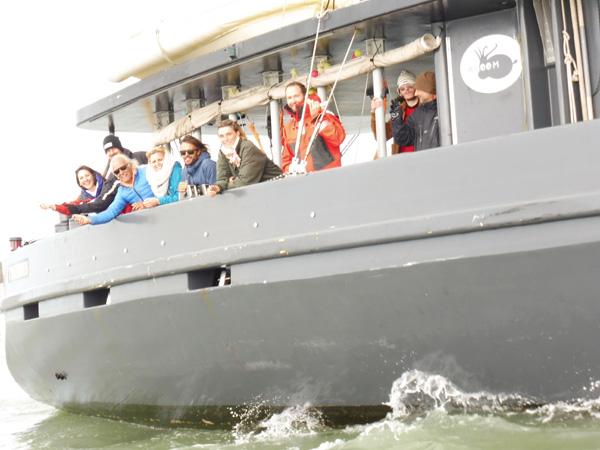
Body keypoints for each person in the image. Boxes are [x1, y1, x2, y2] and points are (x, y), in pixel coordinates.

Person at [67, 134, 148, 215]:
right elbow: (102, 202)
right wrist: (77, 208)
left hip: (156, 203)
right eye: (108, 151)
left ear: (120, 147)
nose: (112, 152)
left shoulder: (142, 157)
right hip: (139, 214)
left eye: (114, 148)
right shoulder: (112, 178)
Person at [281, 81, 346, 173]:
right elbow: (286, 160)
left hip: (329, 177)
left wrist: (317, 118)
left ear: (305, 96)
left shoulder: (324, 114)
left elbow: (338, 139)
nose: (293, 101)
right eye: (289, 98)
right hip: (303, 181)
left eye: (296, 96)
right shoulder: (288, 128)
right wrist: (291, 168)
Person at [206, 119, 282, 197]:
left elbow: (245, 182)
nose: (225, 139)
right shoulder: (223, 153)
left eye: (229, 134)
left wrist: (227, 185)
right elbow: (222, 179)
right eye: (221, 136)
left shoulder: (248, 147)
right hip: (262, 192)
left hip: (279, 188)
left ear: (238, 133)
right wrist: (217, 187)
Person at [72, 154, 154, 226]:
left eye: (123, 168)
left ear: (130, 165)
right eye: (117, 171)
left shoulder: (147, 172)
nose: (121, 172)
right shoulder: (122, 191)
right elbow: (110, 212)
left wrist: (151, 203)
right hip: (150, 222)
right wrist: (89, 219)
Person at [371, 70, 420, 154]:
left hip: (423, 157)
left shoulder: (426, 107)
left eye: (410, 86)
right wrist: (374, 112)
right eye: (402, 88)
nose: (406, 90)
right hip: (401, 161)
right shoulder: (400, 111)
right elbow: (382, 136)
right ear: (400, 92)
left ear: (417, 88)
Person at [391, 71, 439, 151]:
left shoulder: (448, 109)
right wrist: (396, 121)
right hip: (421, 161)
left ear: (428, 89)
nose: (415, 93)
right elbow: (404, 139)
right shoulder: (416, 115)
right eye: (402, 88)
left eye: (418, 89)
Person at [40, 165, 105, 215]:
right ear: (79, 183)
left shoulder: (107, 186)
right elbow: (70, 208)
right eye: (81, 178)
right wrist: (52, 206)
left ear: (93, 176)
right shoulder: (83, 198)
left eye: (87, 175)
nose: (85, 180)